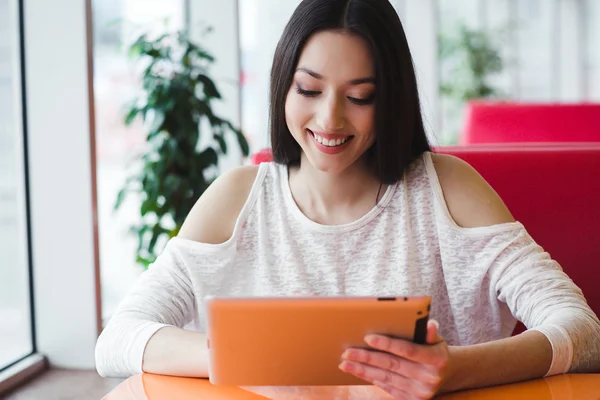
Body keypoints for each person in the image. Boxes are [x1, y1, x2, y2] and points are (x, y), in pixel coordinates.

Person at [95, 0, 600, 398]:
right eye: (309, 89)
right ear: (283, 89)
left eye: (360, 97)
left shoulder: (448, 190)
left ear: (392, 100)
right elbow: (118, 340)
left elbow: (583, 331)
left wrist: (455, 371)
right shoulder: (236, 200)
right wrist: (247, 359)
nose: (330, 120)